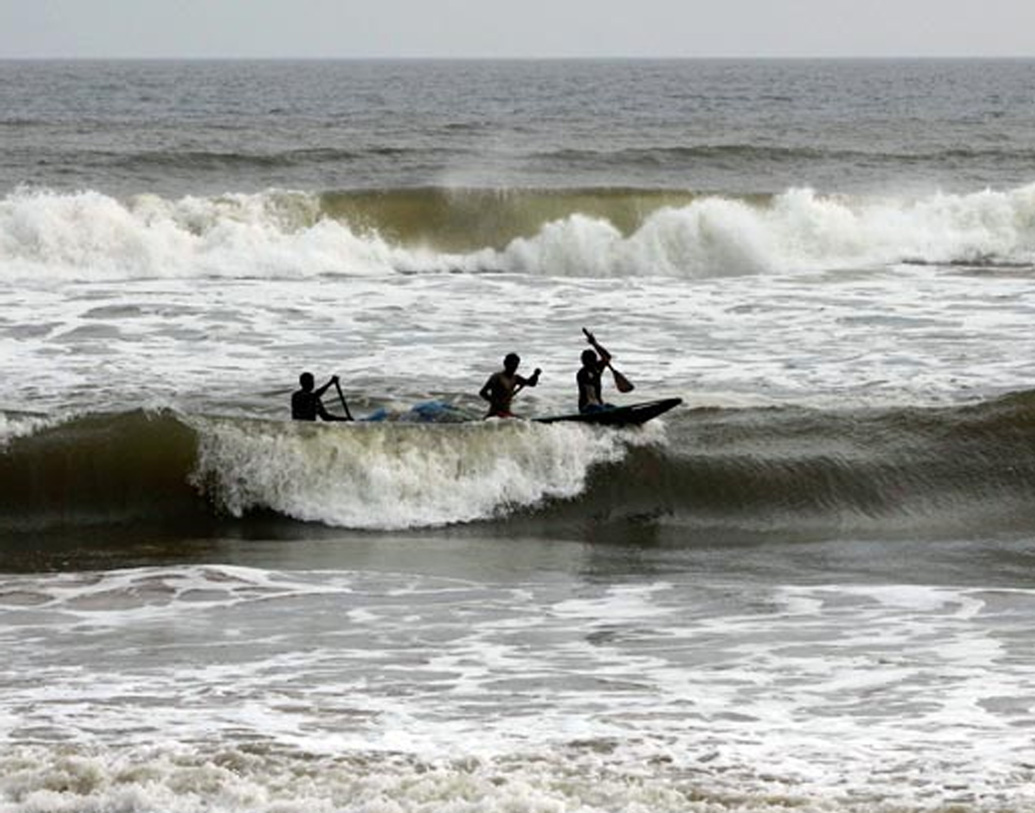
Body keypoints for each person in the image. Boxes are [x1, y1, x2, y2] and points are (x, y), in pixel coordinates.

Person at [479, 353, 541, 418]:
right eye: (512, 364)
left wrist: (535, 375)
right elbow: (483, 392)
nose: (514, 367)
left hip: (507, 413)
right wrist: (494, 402)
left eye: (516, 365)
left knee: (523, 421)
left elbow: (531, 383)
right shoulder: (496, 377)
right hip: (495, 413)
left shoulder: (516, 378)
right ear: (505, 364)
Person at [577, 330, 614, 413]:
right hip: (586, 407)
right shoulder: (582, 373)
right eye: (584, 361)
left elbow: (607, 356)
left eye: (589, 361)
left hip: (599, 405)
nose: (585, 363)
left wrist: (595, 343)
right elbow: (589, 388)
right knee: (601, 409)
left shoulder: (596, 369)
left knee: (611, 407)